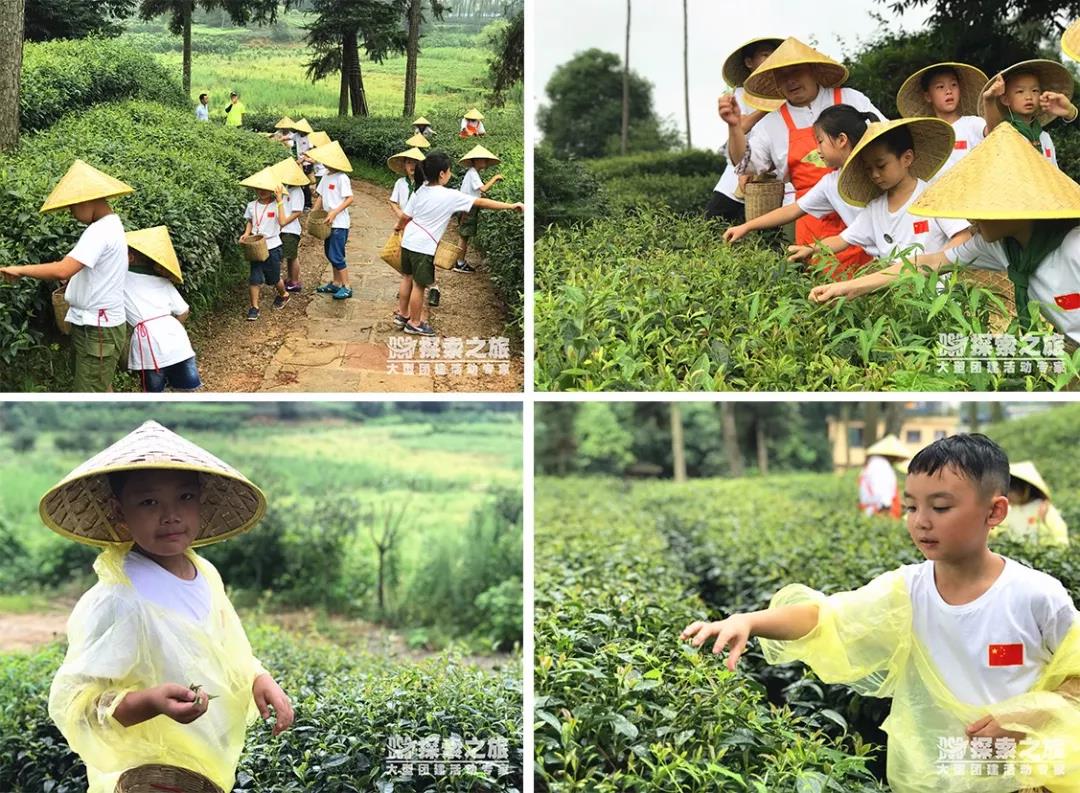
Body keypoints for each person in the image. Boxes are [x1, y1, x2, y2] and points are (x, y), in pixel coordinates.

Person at [681, 433, 1080, 793]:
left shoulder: (1036, 596)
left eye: (940, 507)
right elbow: (827, 617)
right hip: (931, 778)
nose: (921, 522)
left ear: (994, 513)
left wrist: (1026, 718)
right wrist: (749, 621)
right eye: (910, 507)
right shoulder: (907, 589)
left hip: (1022, 781)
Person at [44, 420, 294, 793]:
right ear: (118, 512)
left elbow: (228, 647)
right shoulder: (117, 600)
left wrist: (259, 678)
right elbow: (76, 706)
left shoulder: (204, 572)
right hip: (145, 776)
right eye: (148, 502)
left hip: (206, 768)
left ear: (201, 501)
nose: (171, 515)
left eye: (185, 498)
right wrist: (149, 702)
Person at [808, 123, 1080, 348]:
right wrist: (848, 288)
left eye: (982, 207)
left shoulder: (1073, 247)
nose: (971, 218)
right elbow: (924, 263)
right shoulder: (998, 247)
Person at [720, 37, 884, 272]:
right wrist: (735, 128)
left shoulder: (851, 99)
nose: (791, 81)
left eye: (796, 71)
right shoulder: (773, 122)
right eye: (782, 76)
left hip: (867, 207)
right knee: (827, 293)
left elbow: (886, 140)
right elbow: (746, 165)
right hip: (813, 222)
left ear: (814, 70)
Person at [0, 160, 132, 392]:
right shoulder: (110, 226)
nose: (72, 214)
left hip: (98, 327)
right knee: (98, 383)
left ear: (87, 200)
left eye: (72, 207)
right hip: (93, 323)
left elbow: (63, 269)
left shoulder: (99, 231)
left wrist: (20, 269)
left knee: (88, 392)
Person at [787, 118, 971, 272]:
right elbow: (842, 240)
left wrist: (935, 263)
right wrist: (810, 249)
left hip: (939, 293)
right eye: (869, 168)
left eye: (881, 166)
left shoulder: (932, 196)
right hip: (899, 297)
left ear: (907, 158)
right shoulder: (875, 209)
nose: (875, 174)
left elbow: (963, 235)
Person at [394, 151, 524, 337]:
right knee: (419, 285)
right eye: (449, 171)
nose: (450, 174)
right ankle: (415, 323)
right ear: (441, 174)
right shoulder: (450, 196)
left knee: (406, 277)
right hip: (423, 247)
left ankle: (402, 315)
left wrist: (397, 228)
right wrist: (511, 206)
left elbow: (406, 217)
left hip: (408, 241)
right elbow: (481, 201)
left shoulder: (420, 190)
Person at [723, 104, 876, 255]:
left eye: (820, 141)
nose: (817, 150)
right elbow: (792, 210)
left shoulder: (877, 172)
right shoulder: (830, 183)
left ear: (842, 140)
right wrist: (747, 226)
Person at [707, 37, 785, 223]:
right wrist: (767, 106)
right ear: (749, 62)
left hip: (775, 174)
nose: (770, 59)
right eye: (765, 54)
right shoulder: (741, 94)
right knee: (714, 220)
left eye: (774, 55)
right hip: (740, 166)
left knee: (767, 230)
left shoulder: (788, 92)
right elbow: (741, 126)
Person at [123, 226, 200, 393]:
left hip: (149, 344)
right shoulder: (163, 281)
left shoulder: (119, 278)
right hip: (177, 340)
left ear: (129, 257)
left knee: (154, 394)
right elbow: (183, 311)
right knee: (186, 391)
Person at [895, 63, 988, 178]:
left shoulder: (973, 124)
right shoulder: (924, 138)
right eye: (940, 87)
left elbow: (994, 131)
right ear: (928, 96)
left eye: (954, 85)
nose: (949, 91)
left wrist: (991, 101)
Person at [981, 60, 1077, 168]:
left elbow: (1054, 174)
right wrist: (989, 100)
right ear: (1005, 99)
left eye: (1035, 90)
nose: (1029, 97)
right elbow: (994, 133)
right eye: (1020, 91)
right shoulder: (1005, 131)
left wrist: (1071, 112)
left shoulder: (1044, 137)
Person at [238, 167, 291, 320]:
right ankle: (254, 307)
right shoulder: (251, 205)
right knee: (254, 277)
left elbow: (282, 222)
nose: (262, 191)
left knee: (273, 278)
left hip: (272, 246)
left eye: (266, 188)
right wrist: (247, 234)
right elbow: (250, 221)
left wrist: (280, 201)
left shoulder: (277, 205)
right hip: (255, 246)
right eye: (259, 188)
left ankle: (284, 293)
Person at [308, 141, 355, 300]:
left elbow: (349, 199)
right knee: (329, 253)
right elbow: (321, 197)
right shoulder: (327, 177)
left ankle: (347, 286)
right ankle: (335, 283)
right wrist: (314, 212)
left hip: (339, 223)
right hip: (327, 223)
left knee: (336, 255)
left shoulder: (342, 178)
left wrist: (334, 212)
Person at [453, 144, 505, 274]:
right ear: (475, 160)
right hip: (468, 208)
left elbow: (478, 191)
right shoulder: (473, 173)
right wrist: (495, 178)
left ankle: (459, 261)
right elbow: (483, 188)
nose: (486, 162)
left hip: (466, 206)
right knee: (464, 236)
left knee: (464, 235)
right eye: (483, 159)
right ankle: (459, 263)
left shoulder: (473, 173)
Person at [992, 461, 1069, 546]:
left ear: (1025, 490)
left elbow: (1060, 534)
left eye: (1011, 491)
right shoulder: (1009, 509)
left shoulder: (1042, 508)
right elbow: (997, 531)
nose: (1007, 495)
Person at [270, 158, 308, 293]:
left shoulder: (297, 191)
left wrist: (284, 222)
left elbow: (297, 212)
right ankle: (290, 278)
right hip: (283, 227)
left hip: (290, 229)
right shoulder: (285, 188)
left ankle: (295, 281)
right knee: (288, 255)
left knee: (292, 256)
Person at [857, 434, 909, 518]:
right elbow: (881, 491)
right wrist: (886, 508)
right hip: (880, 511)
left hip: (872, 509)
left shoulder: (872, 465)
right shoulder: (881, 467)